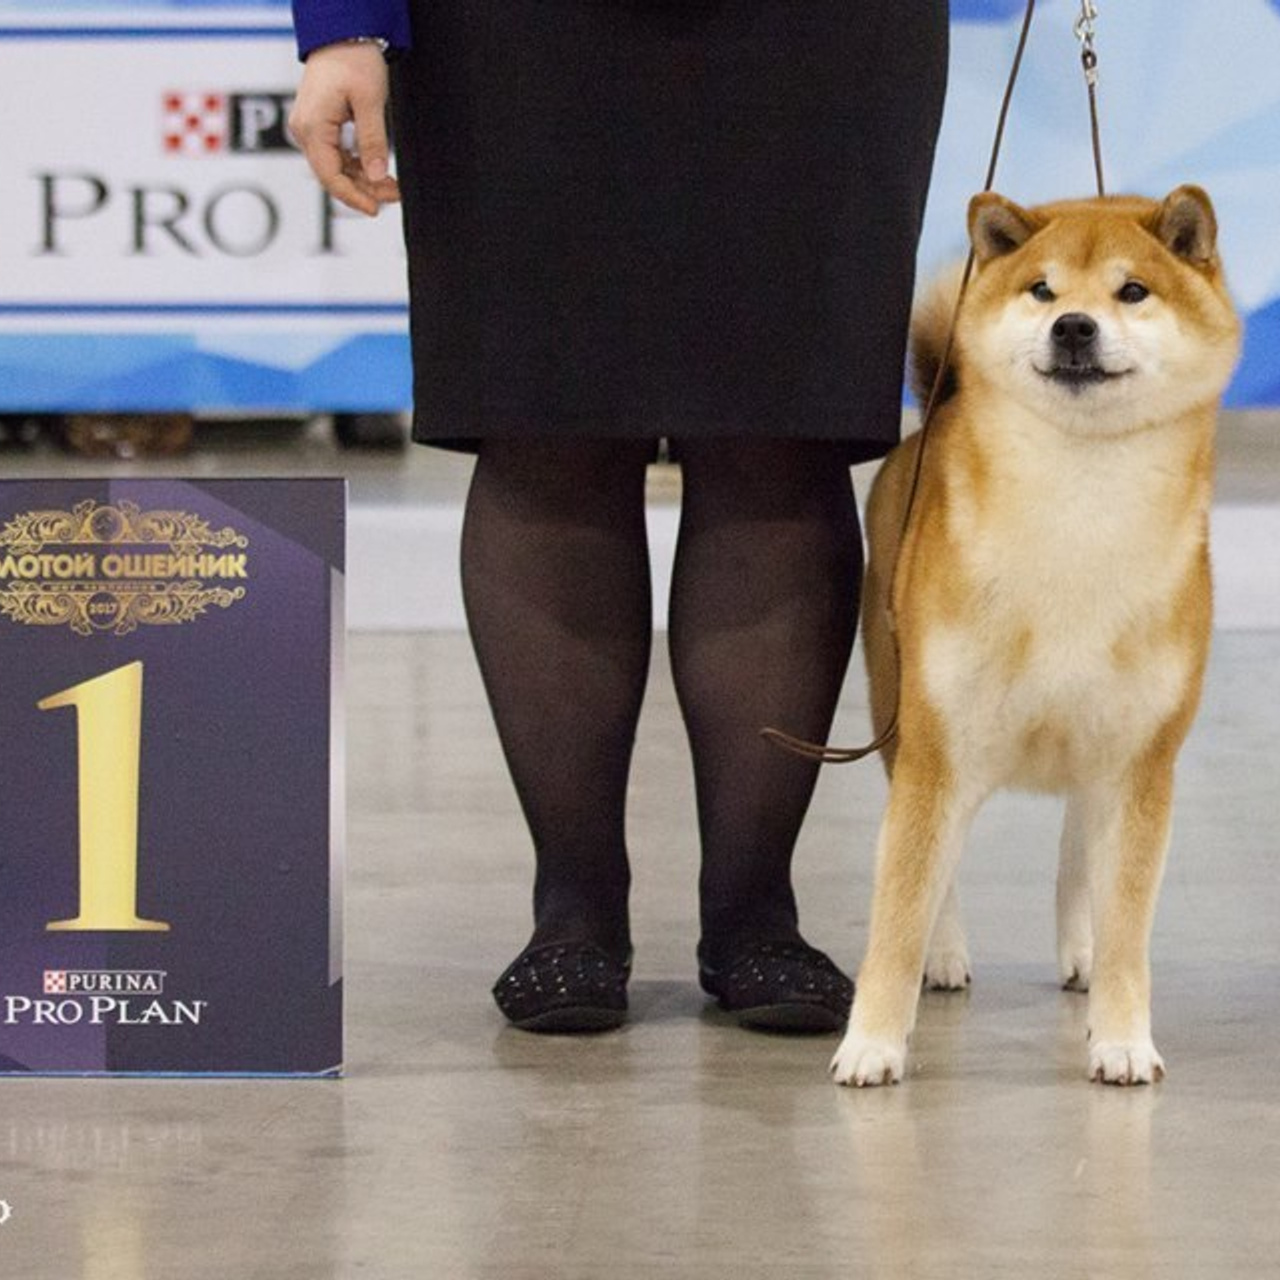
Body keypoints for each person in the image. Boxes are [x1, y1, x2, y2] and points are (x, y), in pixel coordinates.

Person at [289, 1, 949, 1035]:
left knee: (781, 429)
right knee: (541, 422)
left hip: (823, 35)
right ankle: (574, 908)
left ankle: (753, 911)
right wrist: (339, 23)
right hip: (511, 35)